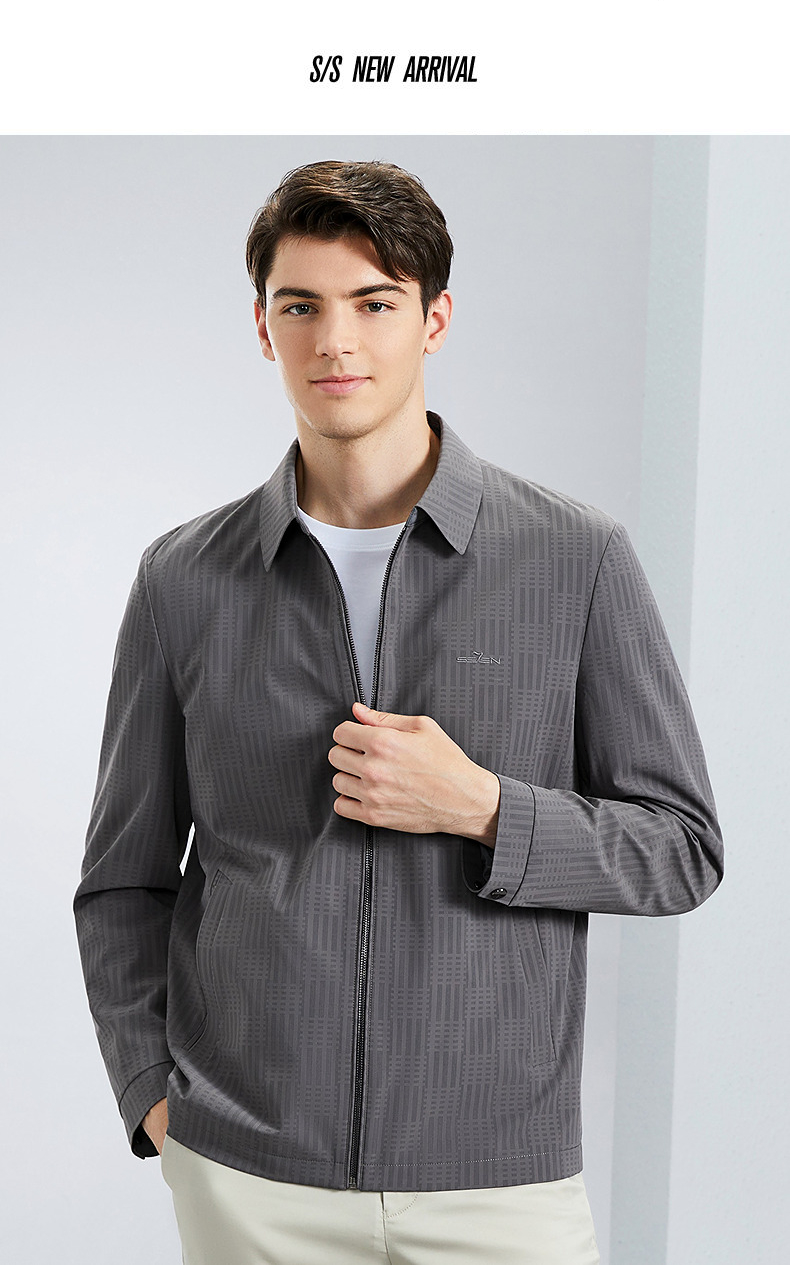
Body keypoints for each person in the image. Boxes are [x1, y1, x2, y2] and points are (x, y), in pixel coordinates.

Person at [74, 160, 724, 1264]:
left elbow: (682, 849)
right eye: (301, 306)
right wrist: (156, 1099)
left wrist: (484, 807)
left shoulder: (576, 558)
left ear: (435, 319)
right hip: (249, 1179)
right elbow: (123, 880)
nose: (336, 341)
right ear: (263, 327)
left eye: (374, 303)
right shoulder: (183, 578)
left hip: (499, 1184)